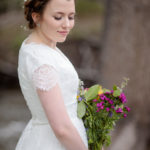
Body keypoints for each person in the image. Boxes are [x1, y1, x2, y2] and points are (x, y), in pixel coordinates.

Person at [15, 0, 88, 150]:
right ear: (36, 17)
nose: (67, 24)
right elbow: (61, 128)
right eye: (58, 17)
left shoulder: (42, 46)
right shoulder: (41, 61)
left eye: (71, 17)